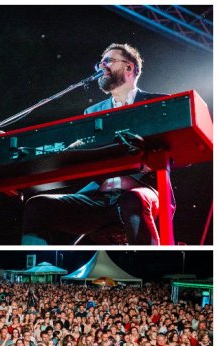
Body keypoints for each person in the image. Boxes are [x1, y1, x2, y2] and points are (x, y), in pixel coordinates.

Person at [22, 43, 169, 245]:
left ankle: (150, 263)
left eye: (109, 60)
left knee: (132, 199)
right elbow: (88, 154)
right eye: (100, 62)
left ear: (129, 67)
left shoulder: (159, 103)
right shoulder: (92, 112)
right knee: (38, 205)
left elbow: (177, 149)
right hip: (100, 195)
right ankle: (40, 265)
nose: (102, 66)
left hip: (142, 192)